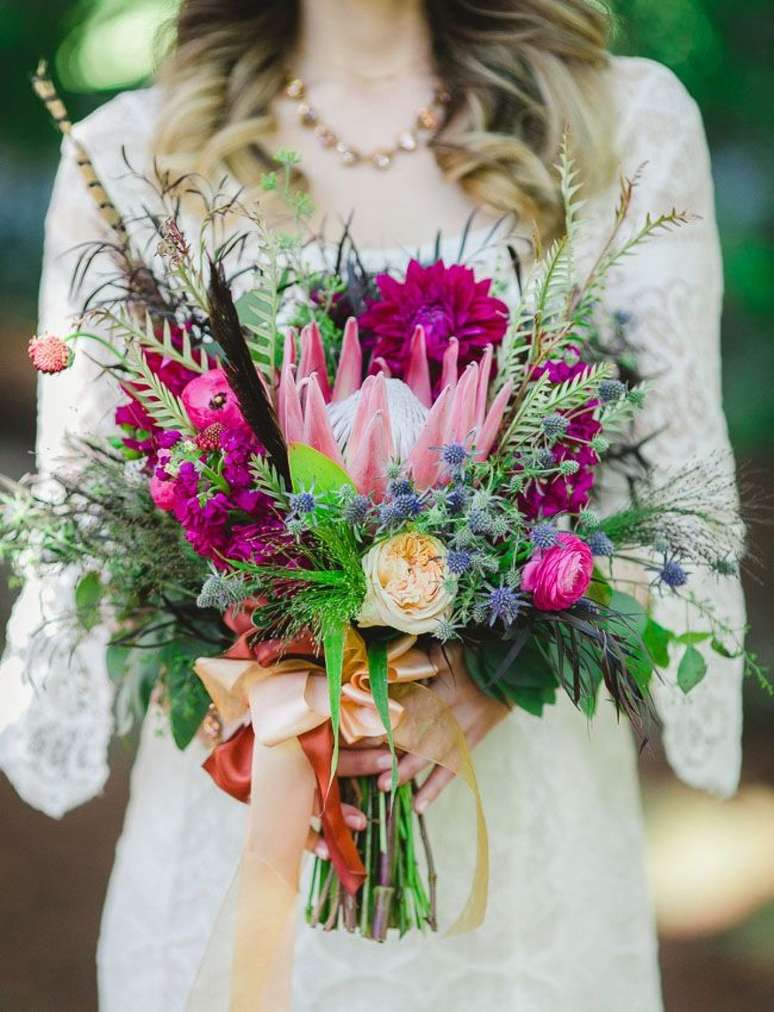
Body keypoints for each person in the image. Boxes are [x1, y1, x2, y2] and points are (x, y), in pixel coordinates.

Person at [0, 2, 745, 1009]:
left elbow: (670, 508)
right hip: (241, 820)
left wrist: (493, 672)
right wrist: (291, 663)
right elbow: (100, 520)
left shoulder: (624, 122)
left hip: (522, 846)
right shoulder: (131, 152)